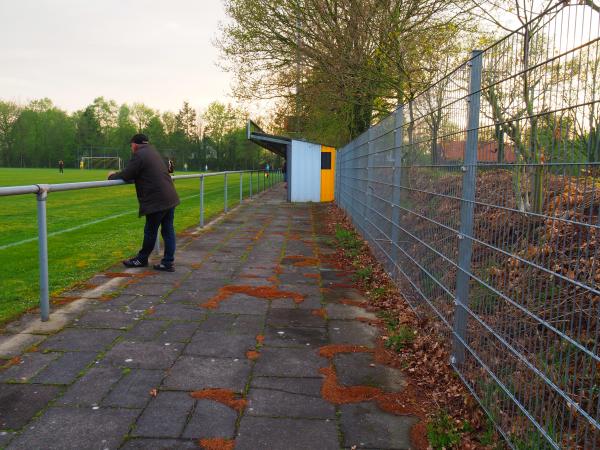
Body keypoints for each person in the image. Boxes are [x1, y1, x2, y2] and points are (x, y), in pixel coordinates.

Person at [108, 134, 180, 272]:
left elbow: (127, 174)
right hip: (170, 197)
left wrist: (111, 176)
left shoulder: (139, 155)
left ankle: (141, 259)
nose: (131, 148)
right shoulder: (153, 152)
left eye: (131, 146)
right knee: (168, 230)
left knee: (150, 231)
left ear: (134, 145)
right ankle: (168, 262)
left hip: (157, 200)